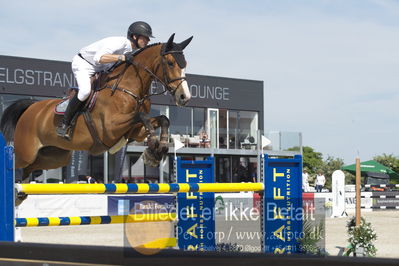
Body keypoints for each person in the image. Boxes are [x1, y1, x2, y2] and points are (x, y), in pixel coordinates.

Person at [56, 21, 155, 139]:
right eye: (146, 38)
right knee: (85, 91)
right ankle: (64, 124)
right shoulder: (120, 43)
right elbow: (99, 58)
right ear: (135, 36)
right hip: (84, 64)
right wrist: (122, 57)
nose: (148, 41)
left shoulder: (134, 51)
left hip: (101, 68)